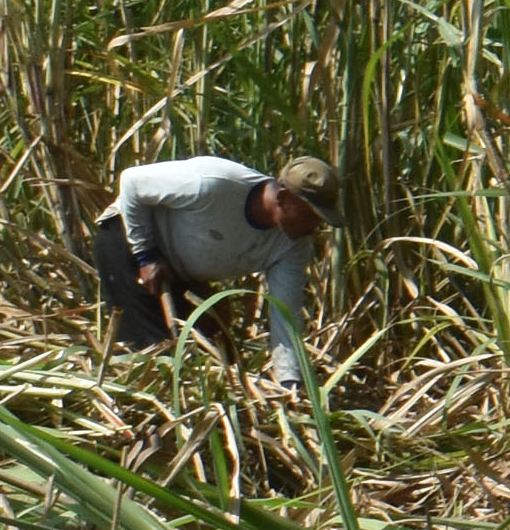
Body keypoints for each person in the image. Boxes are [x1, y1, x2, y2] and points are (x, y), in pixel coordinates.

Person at [92, 152, 336, 389]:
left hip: (180, 274)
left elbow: (286, 314)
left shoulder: (293, 245)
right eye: (310, 216)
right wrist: (146, 255)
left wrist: (289, 383)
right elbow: (132, 182)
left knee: (224, 365)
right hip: (128, 245)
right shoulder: (213, 183)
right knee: (155, 356)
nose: (314, 227)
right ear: (282, 198)